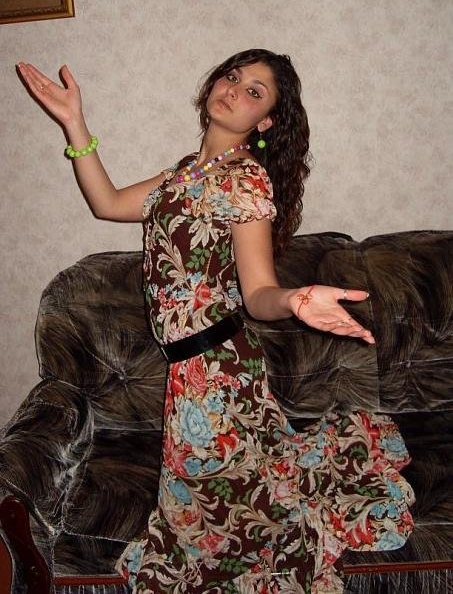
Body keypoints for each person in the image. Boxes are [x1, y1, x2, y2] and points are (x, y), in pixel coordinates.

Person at [18, 49, 414, 594]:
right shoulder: (188, 171)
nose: (234, 89)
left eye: (255, 92)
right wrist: (73, 121)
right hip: (190, 373)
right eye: (233, 76)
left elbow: (259, 294)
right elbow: (107, 203)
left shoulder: (245, 182)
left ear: (266, 121)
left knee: (222, 528)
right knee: (218, 507)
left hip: (218, 373)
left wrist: (294, 298)